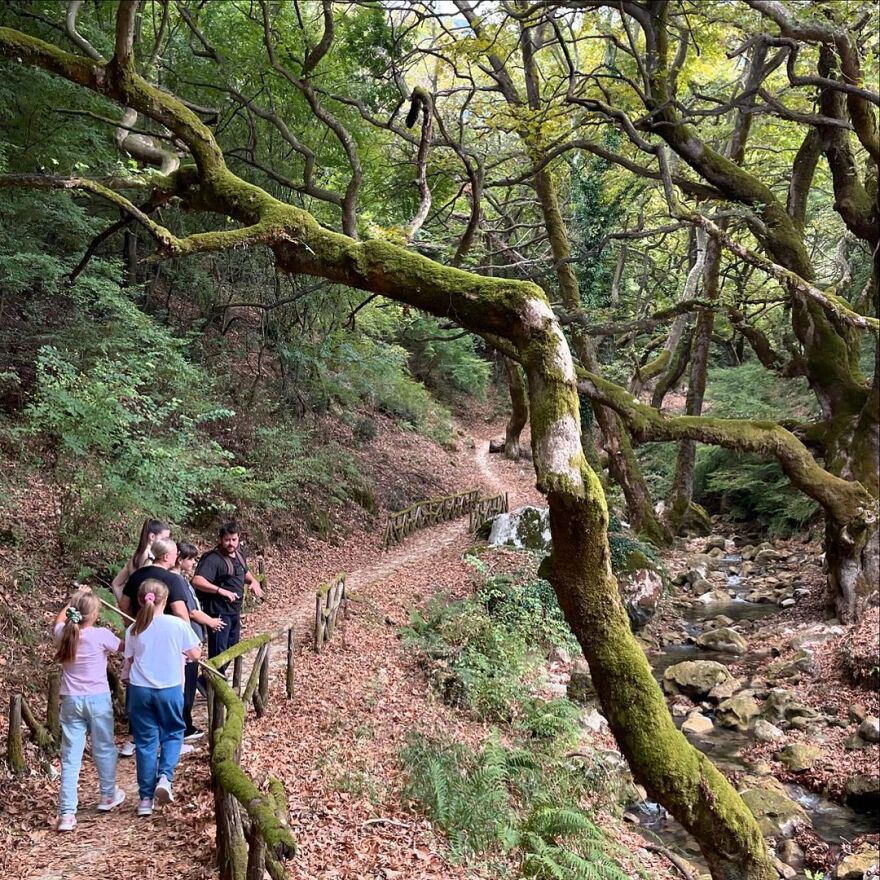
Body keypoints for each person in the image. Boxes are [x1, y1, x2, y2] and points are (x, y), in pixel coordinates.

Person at [124, 579, 201, 817]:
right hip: (169, 688)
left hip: (140, 690)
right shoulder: (176, 625)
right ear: (165, 601)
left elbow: (128, 660)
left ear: (140, 600)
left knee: (146, 742)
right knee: (172, 733)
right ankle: (165, 777)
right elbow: (195, 653)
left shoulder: (133, 628)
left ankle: (145, 799)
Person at [53, 588, 125, 831]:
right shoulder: (101, 635)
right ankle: (107, 795)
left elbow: (59, 620)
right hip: (98, 699)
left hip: (71, 701)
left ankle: (66, 814)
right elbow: (124, 647)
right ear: (94, 614)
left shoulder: (63, 633)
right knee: (104, 748)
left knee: (71, 757)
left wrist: (74, 597)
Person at [119, 537, 191, 757]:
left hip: (142, 637)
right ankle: (169, 742)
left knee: (141, 681)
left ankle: (137, 738)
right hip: (169, 642)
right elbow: (180, 611)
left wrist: (134, 626)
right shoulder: (172, 579)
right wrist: (186, 638)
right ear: (168, 556)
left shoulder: (137, 576)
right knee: (169, 688)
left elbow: (123, 605)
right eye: (176, 554)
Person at [171, 541, 224, 743]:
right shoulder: (176, 582)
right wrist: (209, 621)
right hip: (187, 642)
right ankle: (183, 727)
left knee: (189, 685)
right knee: (186, 686)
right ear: (179, 559)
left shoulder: (182, 580)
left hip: (192, 638)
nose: (193, 563)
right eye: (191, 559)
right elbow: (189, 611)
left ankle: (185, 724)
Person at [192, 522, 262, 667]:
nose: (231, 543)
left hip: (234, 612)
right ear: (220, 539)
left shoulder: (239, 556)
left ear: (238, 538)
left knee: (231, 650)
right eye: (227, 540)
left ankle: (207, 684)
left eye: (234, 540)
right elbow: (197, 580)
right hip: (219, 612)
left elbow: (244, 572)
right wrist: (220, 590)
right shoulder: (212, 559)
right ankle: (208, 685)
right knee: (219, 654)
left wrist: (253, 581)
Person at [111, 518, 170, 602]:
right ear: (152, 536)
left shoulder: (136, 556)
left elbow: (116, 584)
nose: (167, 542)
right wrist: (127, 609)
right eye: (165, 538)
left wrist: (125, 607)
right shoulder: (148, 557)